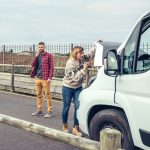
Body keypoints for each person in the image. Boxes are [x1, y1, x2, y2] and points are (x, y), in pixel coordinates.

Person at [62, 46, 92, 136]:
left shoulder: (81, 59)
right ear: (75, 53)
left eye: (83, 53)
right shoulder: (70, 63)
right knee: (66, 107)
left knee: (77, 107)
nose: (82, 55)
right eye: (81, 53)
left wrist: (97, 45)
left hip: (78, 88)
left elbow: (90, 55)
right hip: (67, 87)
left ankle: (76, 128)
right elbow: (75, 78)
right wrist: (84, 69)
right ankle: (65, 125)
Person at [30, 42, 54, 118]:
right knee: (38, 95)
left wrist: (50, 77)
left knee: (47, 95)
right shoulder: (37, 55)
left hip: (45, 79)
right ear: (38, 47)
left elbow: (51, 67)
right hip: (37, 78)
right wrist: (35, 57)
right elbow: (32, 64)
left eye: (42, 47)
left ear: (44, 47)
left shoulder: (49, 56)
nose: (40, 48)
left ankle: (49, 111)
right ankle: (39, 110)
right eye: (39, 47)